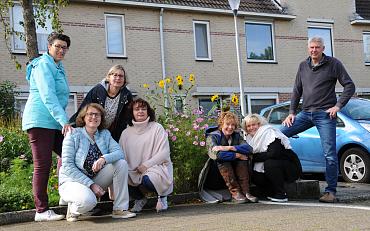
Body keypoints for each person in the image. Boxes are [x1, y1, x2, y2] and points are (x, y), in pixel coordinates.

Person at [281, 36, 355, 203]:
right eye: (311, 47)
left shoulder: (334, 64)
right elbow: (296, 90)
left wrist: (337, 106)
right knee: (278, 135)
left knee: (329, 154)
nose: (314, 50)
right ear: (308, 48)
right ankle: (280, 180)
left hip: (325, 115)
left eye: (317, 47)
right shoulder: (302, 65)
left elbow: (349, 85)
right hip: (305, 113)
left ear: (323, 48)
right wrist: (292, 112)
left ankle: (330, 192)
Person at [22, 32, 73, 221]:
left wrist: (63, 120)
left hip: (53, 121)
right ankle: (41, 211)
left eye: (64, 47)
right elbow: (48, 96)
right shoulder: (44, 65)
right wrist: (64, 121)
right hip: (40, 120)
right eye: (57, 46)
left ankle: (67, 195)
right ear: (49, 47)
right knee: (43, 165)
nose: (61, 50)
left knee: (69, 155)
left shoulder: (58, 67)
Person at [59, 103, 136, 221]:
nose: (94, 117)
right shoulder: (73, 134)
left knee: (121, 164)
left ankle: (120, 209)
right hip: (73, 181)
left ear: (101, 118)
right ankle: (73, 208)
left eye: (97, 115)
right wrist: (91, 185)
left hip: (95, 178)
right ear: (83, 117)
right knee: (89, 202)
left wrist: (104, 158)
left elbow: (119, 153)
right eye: (90, 114)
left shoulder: (104, 134)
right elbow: (68, 167)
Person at [119, 98, 173, 213]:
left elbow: (164, 153)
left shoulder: (156, 127)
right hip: (133, 170)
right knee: (119, 175)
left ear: (148, 111)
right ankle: (140, 199)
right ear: (132, 112)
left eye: (144, 109)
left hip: (156, 167)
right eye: (137, 109)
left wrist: (146, 165)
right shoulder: (126, 133)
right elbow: (121, 155)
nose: (140, 111)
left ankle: (162, 197)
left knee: (149, 180)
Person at [198, 111, 257, 204]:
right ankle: (235, 192)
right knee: (224, 159)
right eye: (227, 124)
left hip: (234, 173)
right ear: (221, 124)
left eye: (233, 125)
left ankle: (245, 191)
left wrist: (230, 147)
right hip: (215, 176)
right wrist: (236, 154)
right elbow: (216, 155)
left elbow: (249, 149)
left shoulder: (237, 136)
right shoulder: (212, 137)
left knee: (243, 159)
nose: (230, 127)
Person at [242, 114, 302, 202]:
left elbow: (274, 153)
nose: (251, 128)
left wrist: (253, 157)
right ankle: (271, 192)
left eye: (254, 124)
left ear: (259, 124)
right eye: (248, 126)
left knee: (270, 163)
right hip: (272, 167)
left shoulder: (269, 132)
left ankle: (281, 194)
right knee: (254, 172)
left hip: (289, 167)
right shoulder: (249, 139)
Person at [70, 64, 133, 142]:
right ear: (109, 77)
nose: (118, 78)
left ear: (124, 79)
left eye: (121, 76)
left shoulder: (126, 95)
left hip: (112, 133)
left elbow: (129, 115)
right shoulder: (97, 90)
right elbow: (83, 110)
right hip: (92, 129)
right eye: (115, 75)